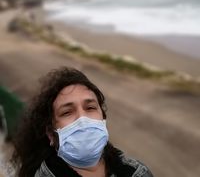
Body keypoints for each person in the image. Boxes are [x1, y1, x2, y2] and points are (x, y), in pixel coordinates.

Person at [12, 67, 154, 177]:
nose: (82, 118)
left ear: (103, 120)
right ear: (51, 134)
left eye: (90, 107)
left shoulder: (137, 172)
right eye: (67, 112)